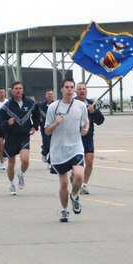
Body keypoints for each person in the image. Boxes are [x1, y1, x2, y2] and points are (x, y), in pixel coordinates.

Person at [44, 78, 89, 222]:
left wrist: (85, 129)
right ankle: (64, 210)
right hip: (58, 150)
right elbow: (47, 131)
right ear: (62, 89)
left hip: (76, 147)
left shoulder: (81, 106)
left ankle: (74, 195)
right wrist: (56, 123)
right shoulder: (53, 107)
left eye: (72, 87)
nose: (70, 90)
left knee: (79, 176)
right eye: (67, 87)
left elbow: (86, 121)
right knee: (64, 183)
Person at [0, 81, 40, 195]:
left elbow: (36, 115)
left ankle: (21, 174)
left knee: (25, 160)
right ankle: (11, 184)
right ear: (11, 91)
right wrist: (7, 123)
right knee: (11, 164)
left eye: (20, 88)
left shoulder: (30, 103)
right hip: (11, 137)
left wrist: (34, 126)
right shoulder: (6, 106)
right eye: (16, 88)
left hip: (24, 136)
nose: (18, 90)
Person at [76, 82, 105, 195]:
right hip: (73, 137)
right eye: (79, 89)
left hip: (87, 137)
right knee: (76, 162)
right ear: (76, 91)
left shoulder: (91, 104)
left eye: (84, 89)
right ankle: (75, 174)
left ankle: (84, 184)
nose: (82, 91)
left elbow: (100, 121)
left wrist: (94, 112)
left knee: (89, 160)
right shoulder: (71, 103)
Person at [38, 89, 55, 167]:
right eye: (48, 94)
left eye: (51, 94)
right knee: (47, 144)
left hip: (54, 128)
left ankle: (50, 162)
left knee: (53, 145)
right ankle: (44, 153)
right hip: (44, 129)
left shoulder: (56, 105)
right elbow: (36, 115)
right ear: (46, 95)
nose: (50, 95)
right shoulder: (40, 105)